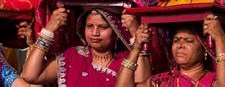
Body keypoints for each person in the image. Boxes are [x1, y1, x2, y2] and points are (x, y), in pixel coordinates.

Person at [22, 7, 150, 86]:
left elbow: (142, 82)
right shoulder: (73, 56)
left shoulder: (126, 59)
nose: (95, 33)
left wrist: (135, 36)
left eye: (103, 27)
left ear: (117, 31)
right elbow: (31, 76)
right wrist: (49, 30)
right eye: (89, 26)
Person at [116, 15, 225, 86]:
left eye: (189, 40)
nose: (180, 45)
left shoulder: (212, 81)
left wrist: (219, 39)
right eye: (176, 40)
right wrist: (136, 47)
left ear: (205, 50)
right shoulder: (162, 81)